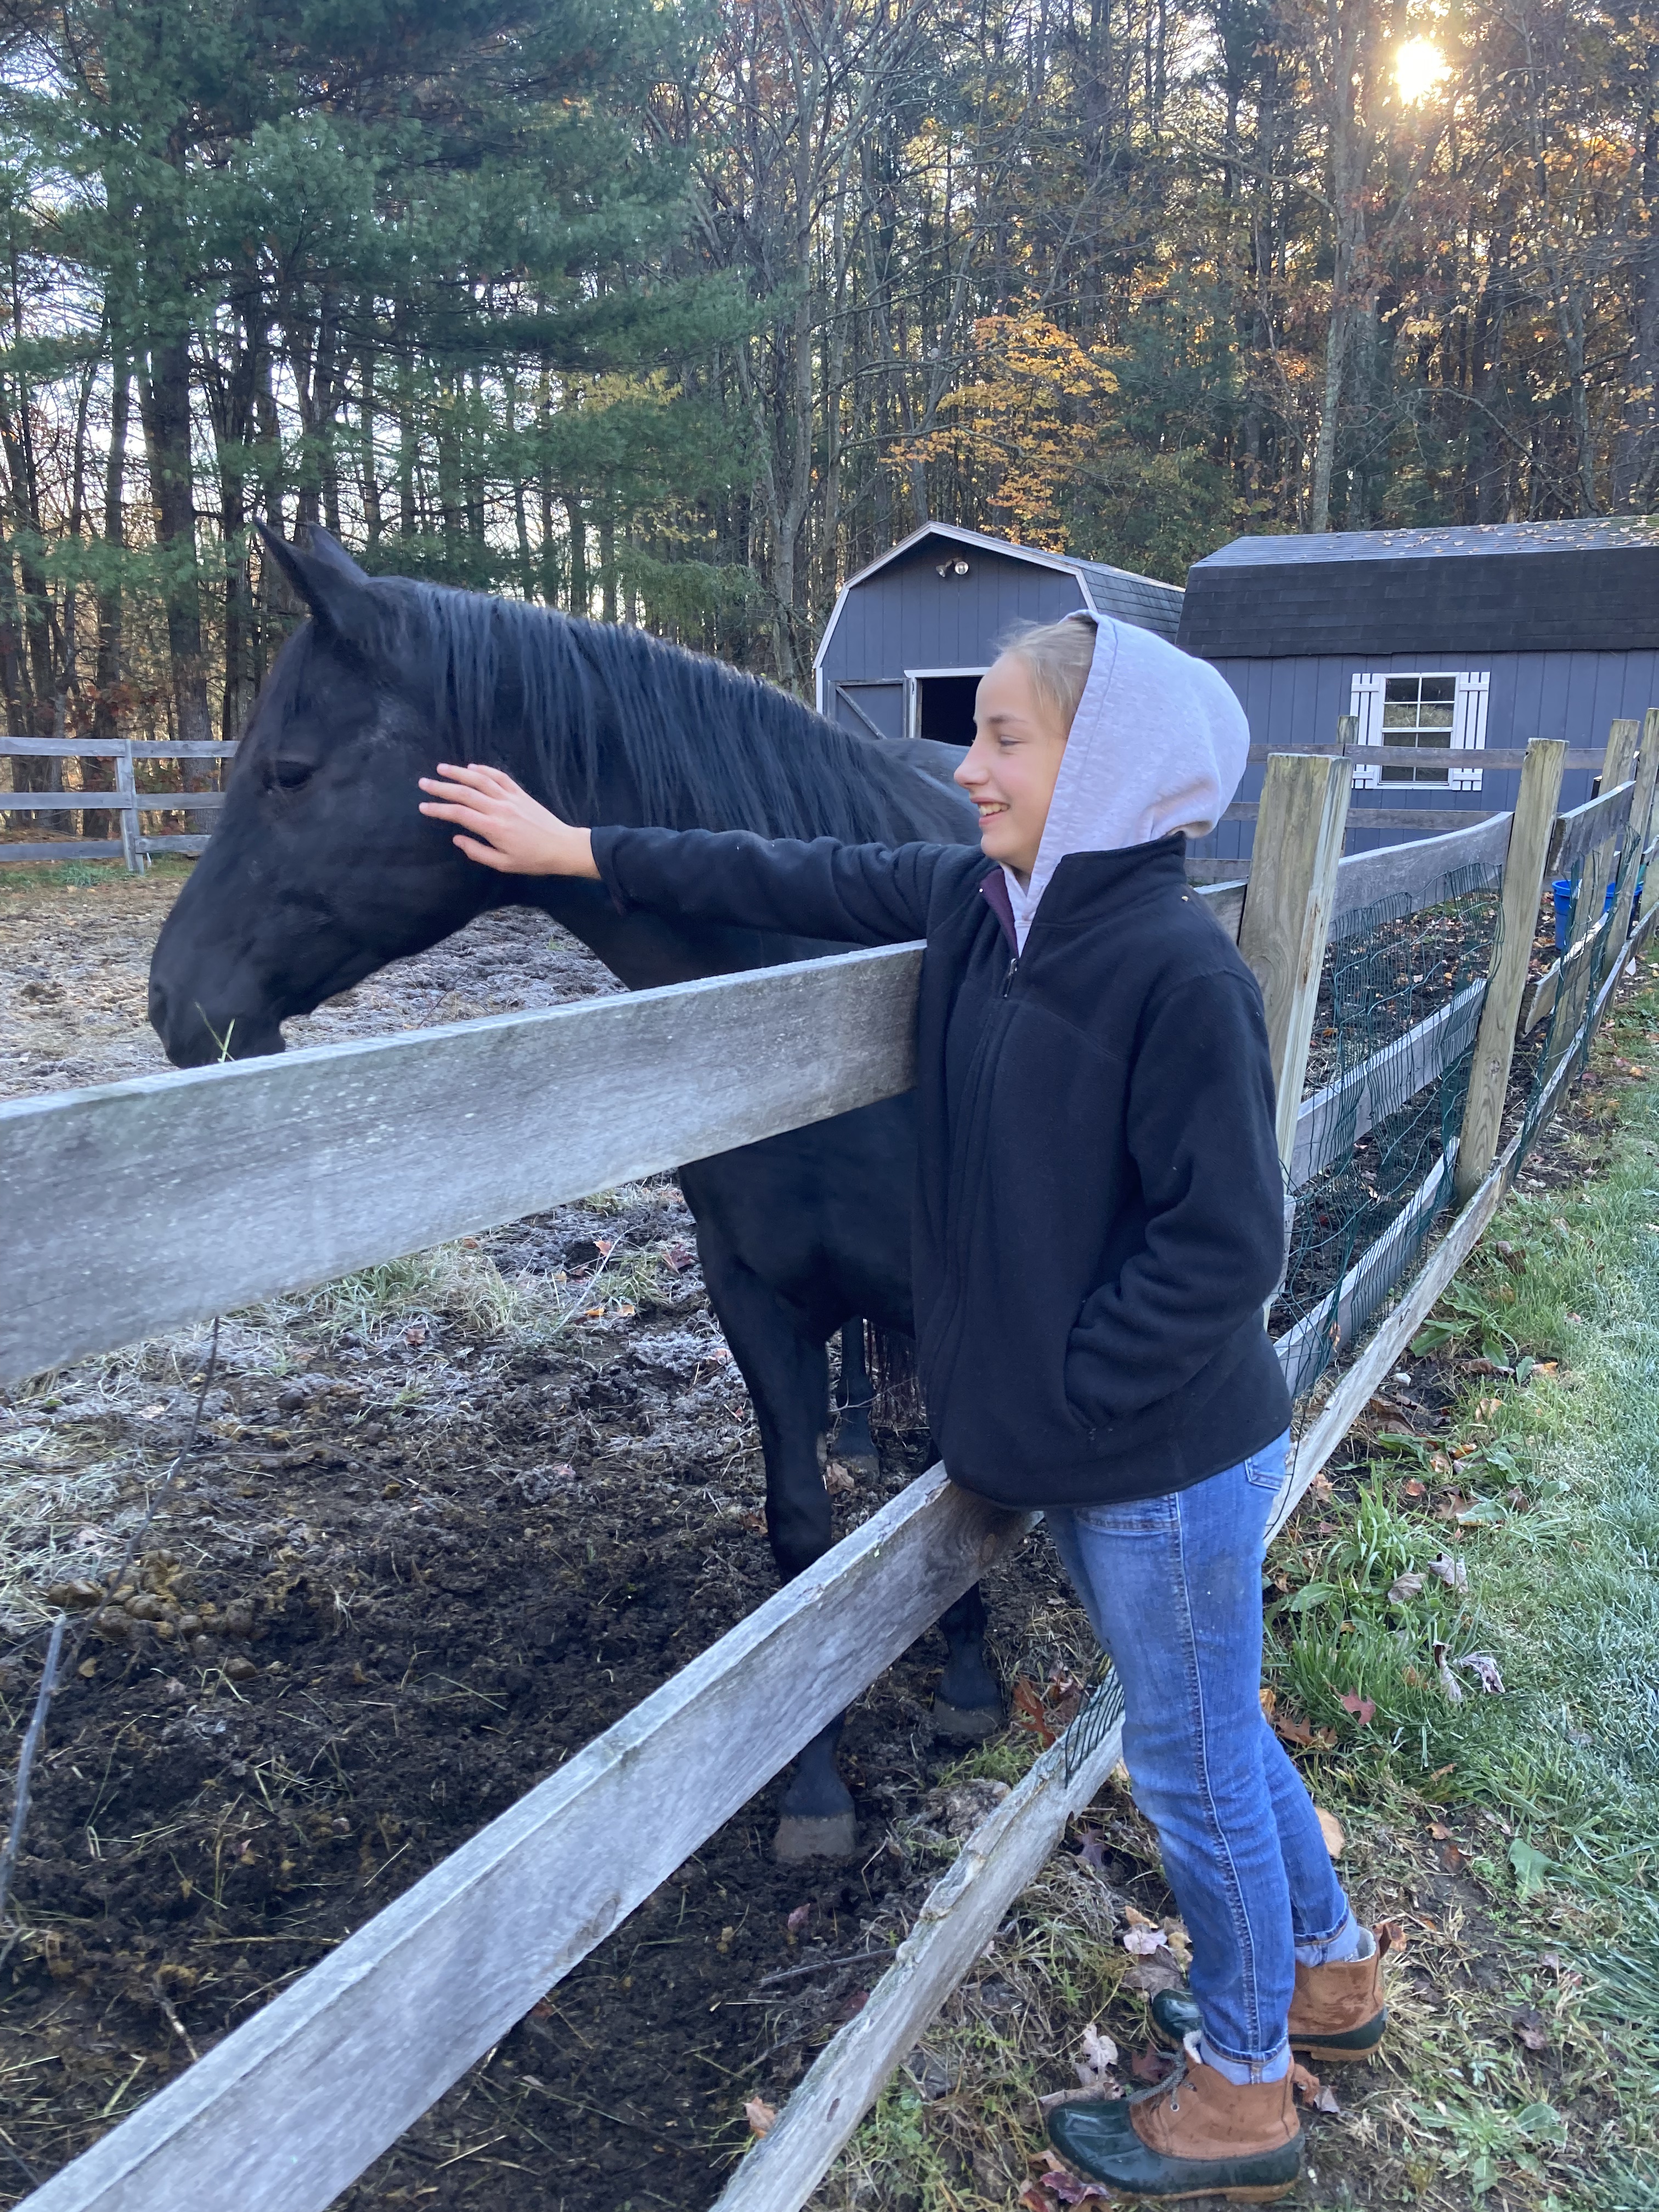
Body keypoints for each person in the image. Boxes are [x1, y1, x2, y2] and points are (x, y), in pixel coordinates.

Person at [417, 612, 1393, 2202]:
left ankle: (1242, 2086)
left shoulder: (1177, 973)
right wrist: (576, 848)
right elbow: (785, 873)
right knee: (1212, 1724)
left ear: (1110, 765)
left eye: (1006, 738)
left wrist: (1068, 1398)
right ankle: (1328, 1971)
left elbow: (1228, 1246)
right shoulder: (981, 907)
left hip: (1164, 1453)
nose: (967, 767)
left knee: (1191, 1762)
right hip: (1115, 1450)